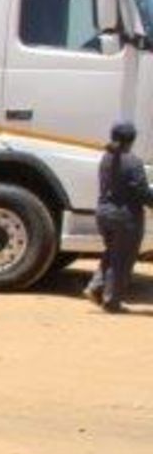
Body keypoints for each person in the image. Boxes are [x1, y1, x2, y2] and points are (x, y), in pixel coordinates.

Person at [85, 121, 149, 313]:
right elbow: (142, 192)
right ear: (132, 139)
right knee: (122, 259)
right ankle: (112, 302)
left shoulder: (106, 157)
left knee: (113, 254)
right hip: (125, 217)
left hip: (104, 214)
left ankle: (96, 288)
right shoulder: (133, 161)